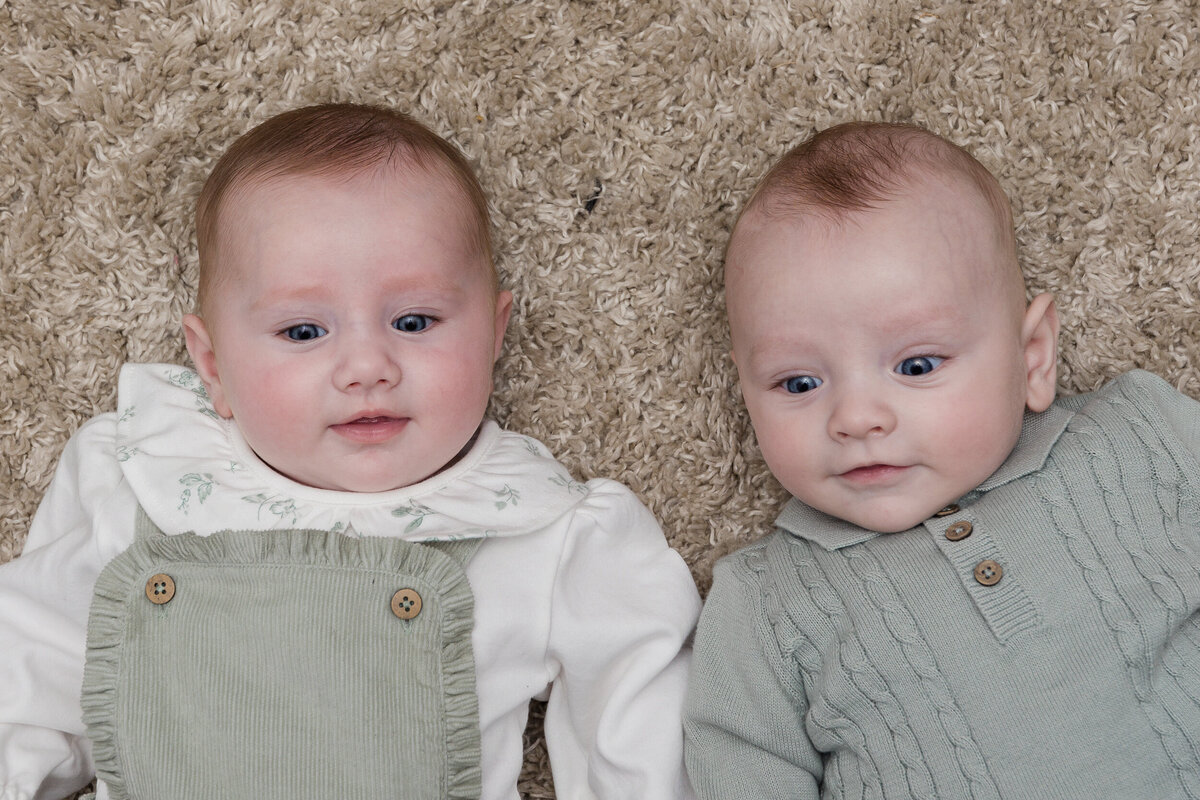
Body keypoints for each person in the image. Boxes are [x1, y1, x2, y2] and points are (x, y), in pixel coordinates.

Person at [0, 103, 700, 800]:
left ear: (494, 333)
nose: (367, 365)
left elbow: (637, 718)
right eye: (304, 332)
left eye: (415, 321)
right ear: (213, 367)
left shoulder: (542, 530)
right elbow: (29, 671)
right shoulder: (146, 479)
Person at [683, 120, 1200, 799]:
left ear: (1033, 358)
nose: (856, 418)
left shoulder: (1139, 435)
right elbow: (740, 771)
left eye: (917, 364)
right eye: (799, 384)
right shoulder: (763, 606)